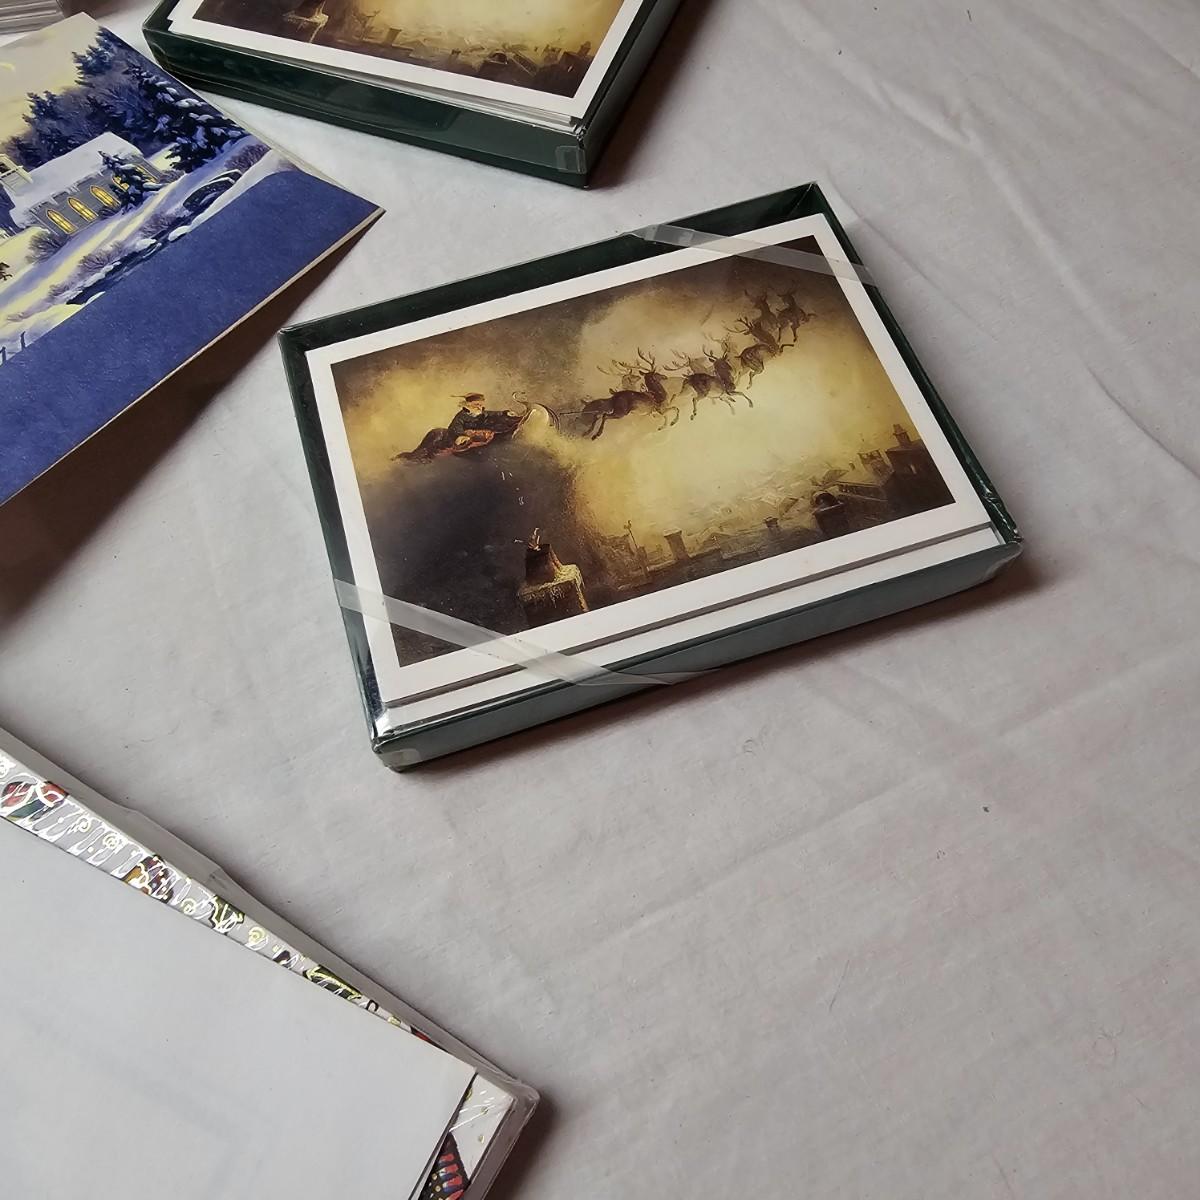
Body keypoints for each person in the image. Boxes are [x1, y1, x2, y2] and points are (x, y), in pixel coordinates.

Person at [396, 393, 524, 463]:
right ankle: (405, 459)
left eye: (481, 405)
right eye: (476, 405)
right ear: (468, 405)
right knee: (422, 455)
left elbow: (492, 414)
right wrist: (460, 435)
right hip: (447, 439)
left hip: (469, 443)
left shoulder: (481, 413)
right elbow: (455, 427)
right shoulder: (461, 417)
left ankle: (516, 424)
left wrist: (505, 413)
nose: (479, 407)